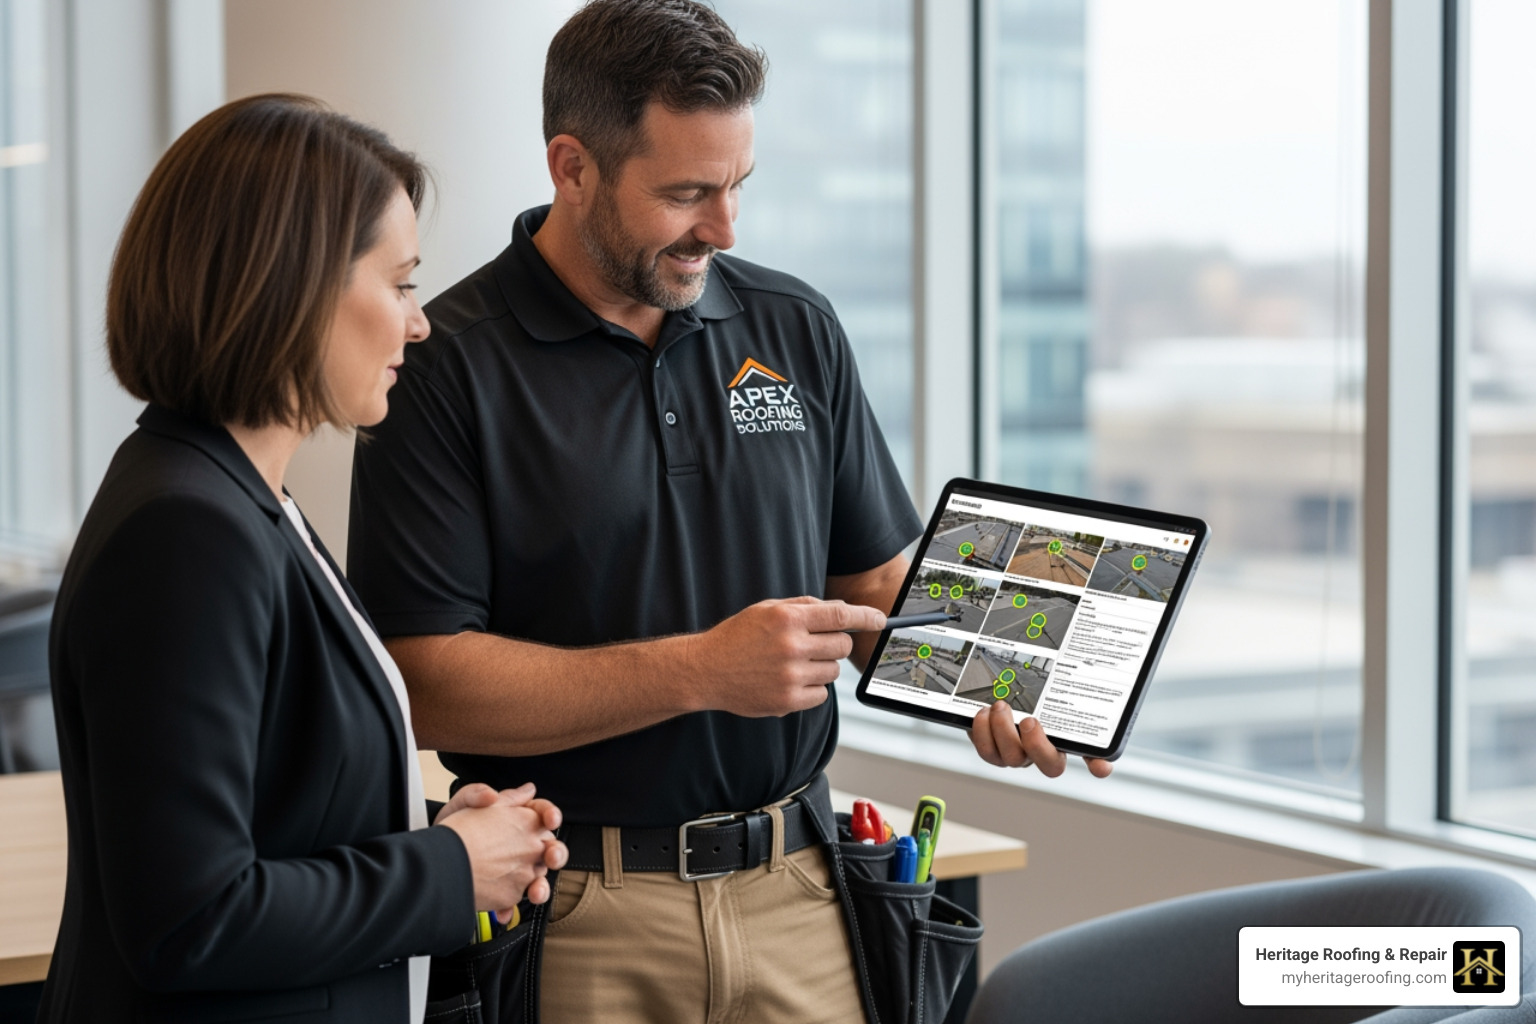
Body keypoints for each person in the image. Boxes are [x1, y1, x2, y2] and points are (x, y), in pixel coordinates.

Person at [347, 2, 1106, 1021]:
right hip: (578, 907)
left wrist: (1031, 679)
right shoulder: (443, 364)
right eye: (686, 194)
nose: (725, 227)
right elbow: (422, 683)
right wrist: (701, 670)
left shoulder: (796, 324)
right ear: (573, 168)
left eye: (738, 184)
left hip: (803, 891)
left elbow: (878, 584)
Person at [39, 94, 565, 1024]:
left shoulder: (239, 493)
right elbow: (191, 919)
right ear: (295, 285)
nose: (419, 324)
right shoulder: (188, 529)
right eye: (401, 284)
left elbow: (277, 814)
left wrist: (441, 837)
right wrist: (447, 870)